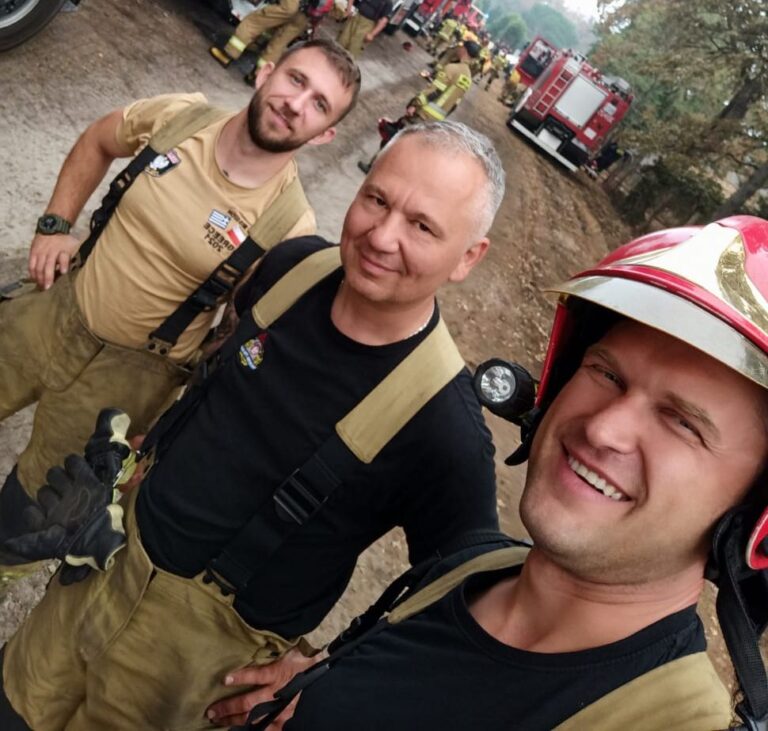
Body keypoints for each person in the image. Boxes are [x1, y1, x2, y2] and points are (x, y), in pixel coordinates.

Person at [0, 121, 505, 730]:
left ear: (468, 257)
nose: (381, 236)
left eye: (422, 226)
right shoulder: (292, 266)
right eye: (376, 199)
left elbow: (459, 614)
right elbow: (224, 374)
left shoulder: (445, 429)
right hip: (103, 567)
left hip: (192, 671)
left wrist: (327, 670)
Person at [230, 216, 768, 729]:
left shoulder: (665, 723)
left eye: (682, 423)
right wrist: (326, 683)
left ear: (754, 516)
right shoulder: (473, 569)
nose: (605, 429)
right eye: (606, 373)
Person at [0, 39, 361, 589]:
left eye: (319, 104)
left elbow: (238, 345)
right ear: (267, 71)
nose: (296, 103)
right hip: (54, 309)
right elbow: (100, 138)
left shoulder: (290, 228)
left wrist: (163, 433)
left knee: (29, 519)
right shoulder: (181, 117)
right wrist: (55, 224)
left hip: (124, 384)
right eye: (296, 80)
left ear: (326, 133)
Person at [357, 41, 479, 173]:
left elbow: (435, 91)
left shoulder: (452, 68)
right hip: (436, 118)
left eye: (461, 46)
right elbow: (455, 104)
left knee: (395, 140)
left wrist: (415, 104)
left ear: (464, 50)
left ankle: (374, 168)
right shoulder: (467, 78)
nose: (458, 48)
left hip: (423, 113)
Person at [209, 0, 329, 83]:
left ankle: (227, 54)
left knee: (255, 21)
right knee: (280, 41)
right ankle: (257, 76)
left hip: (291, 5)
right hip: (307, 14)